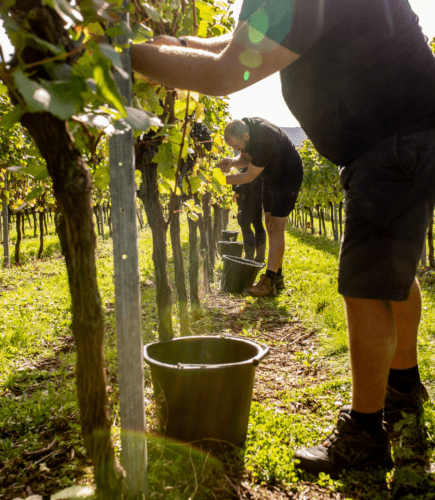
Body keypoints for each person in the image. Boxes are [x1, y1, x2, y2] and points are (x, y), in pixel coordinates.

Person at [130, 0, 435, 477]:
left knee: (367, 283)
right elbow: (245, 45)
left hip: (393, 143)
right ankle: (402, 383)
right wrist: (184, 45)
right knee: (392, 271)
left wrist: (126, 57)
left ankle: (364, 435)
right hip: (409, 135)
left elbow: (226, 72)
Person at [218, 118, 303, 296]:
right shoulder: (248, 127)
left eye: (236, 146)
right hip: (270, 177)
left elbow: (248, 176)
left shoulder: (266, 139)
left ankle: (269, 282)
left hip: (288, 177)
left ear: (246, 136)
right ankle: (278, 278)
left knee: (276, 227)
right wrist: (231, 162)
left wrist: (217, 181)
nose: (235, 149)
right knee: (268, 222)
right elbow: (245, 158)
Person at [233, 168, 266, 262]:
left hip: (252, 195)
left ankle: (249, 257)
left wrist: (238, 189)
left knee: (244, 223)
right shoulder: (250, 159)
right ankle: (259, 257)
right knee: (257, 224)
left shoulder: (255, 156)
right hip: (255, 194)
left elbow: (252, 178)